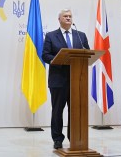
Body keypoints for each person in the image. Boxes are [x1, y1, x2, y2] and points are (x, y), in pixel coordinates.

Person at [42, 9, 90, 149]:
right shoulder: (51, 36)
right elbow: (45, 55)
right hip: (58, 80)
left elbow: (87, 52)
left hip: (78, 80)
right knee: (57, 110)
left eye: (70, 16)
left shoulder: (80, 35)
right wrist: (58, 59)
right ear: (59, 19)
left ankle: (74, 137)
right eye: (65, 16)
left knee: (75, 110)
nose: (68, 18)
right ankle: (57, 138)